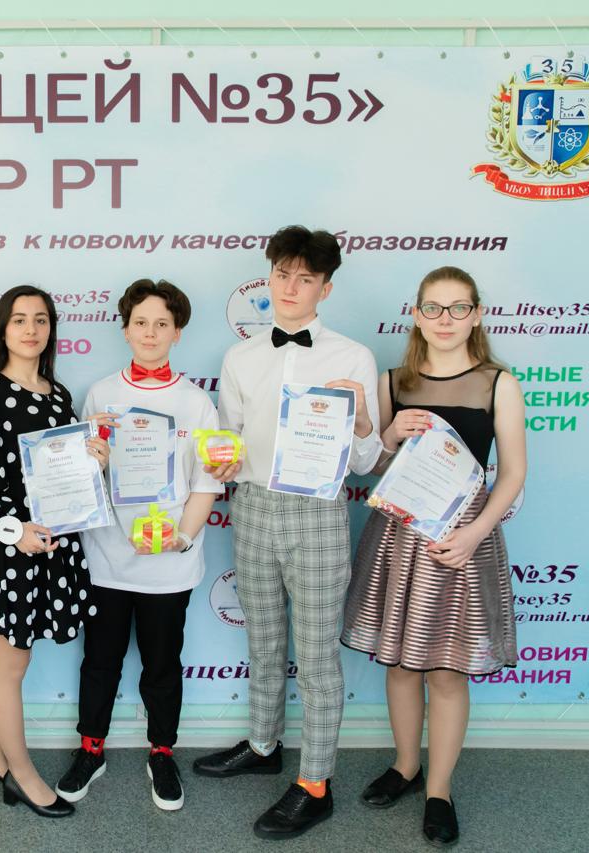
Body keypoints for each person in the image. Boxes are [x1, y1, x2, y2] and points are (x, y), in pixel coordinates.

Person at [191, 225, 383, 840]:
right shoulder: (241, 357)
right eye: (282, 274)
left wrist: (360, 421)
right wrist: (222, 461)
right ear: (268, 277)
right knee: (265, 639)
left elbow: (366, 460)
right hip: (252, 508)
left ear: (326, 288)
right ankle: (263, 744)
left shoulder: (352, 356)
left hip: (319, 512)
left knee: (318, 654)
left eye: (305, 278)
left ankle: (316, 783)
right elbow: (229, 441)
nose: (290, 287)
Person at [342, 266, 525, 847]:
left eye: (458, 307)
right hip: (400, 536)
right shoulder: (393, 380)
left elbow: (513, 474)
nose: (445, 319)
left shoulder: (498, 383)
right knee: (400, 664)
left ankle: (439, 790)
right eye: (434, 308)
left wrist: (475, 534)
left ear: (476, 314)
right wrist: (389, 433)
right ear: (417, 315)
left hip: (461, 540)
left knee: (446, 670)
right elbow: (369, 465)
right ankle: (405, 766)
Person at [54, 279, 223, 812]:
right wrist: (91, 455)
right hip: (108, 556)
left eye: (162, 324)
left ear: (178, 332)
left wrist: (183, 537)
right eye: (141, 323)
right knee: (99, 660)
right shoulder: (101, 395)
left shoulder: (196, 402)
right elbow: (80, 478)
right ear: (125, 330)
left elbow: (207, 481)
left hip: (170, 563)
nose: (150, 333)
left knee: (163, 663)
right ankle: (91, 749)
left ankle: (162, 752)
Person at [0, 285, 109, 818]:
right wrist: (13, 530)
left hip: (50, 545)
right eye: (19, 319)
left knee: (11, 659)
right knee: (10, 662)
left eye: (40, 319)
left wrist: (94, 464)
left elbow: (60, 479)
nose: (30, 329)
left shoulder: (58, 394)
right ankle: (21, 776)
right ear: (2, 329)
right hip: (9, 549)